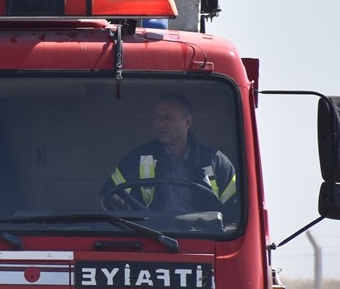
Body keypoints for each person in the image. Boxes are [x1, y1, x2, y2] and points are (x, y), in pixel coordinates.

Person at [100, 93, 239, 222]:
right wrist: (113, 200)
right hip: (151, 239)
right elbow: (110, 193)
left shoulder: (216, 162)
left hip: (201, 241)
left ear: (187, 122)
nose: (161, 125)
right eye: (157, 118)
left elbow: (236, 211)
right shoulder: (137, 158)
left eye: (168, 118)